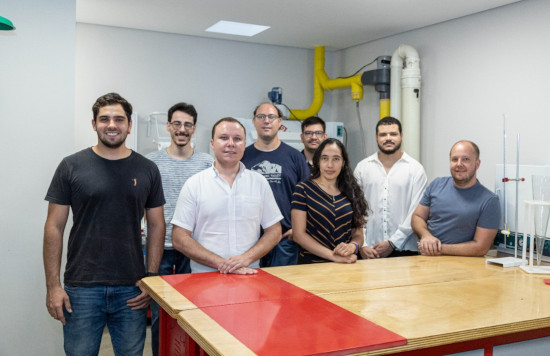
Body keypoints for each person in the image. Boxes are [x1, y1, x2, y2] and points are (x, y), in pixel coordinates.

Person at [43, 93, 165, 356]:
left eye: (119, 119)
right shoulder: (71, 166)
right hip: (81, 287)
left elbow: (157, 225)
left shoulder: (147, 169)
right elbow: (54, 227)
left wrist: (152, 278)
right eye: (104, 119)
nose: (112, 125)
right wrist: (53, 286)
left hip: (132, 288)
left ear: (129, 125)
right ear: (94, 124)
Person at [171, 117, 283, 274]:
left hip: (249, 274)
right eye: (223, 138)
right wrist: (221, 263)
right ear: (212, 143)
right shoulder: (194, 184)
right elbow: (179, 237)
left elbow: (275, 231)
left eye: (237, 139)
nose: (231, 143)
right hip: (204, 277)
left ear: (244, 145)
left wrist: (246, 259)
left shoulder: (259, 183)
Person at [146, 102, 213, 356]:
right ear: (168, 127)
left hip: (194, 250)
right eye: (177, 124)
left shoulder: (207, 163)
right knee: (159, 315)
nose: (182, 129)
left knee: (193, 312)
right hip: (159, 248)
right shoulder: (151, 162)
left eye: (187, 125)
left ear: (194, 129)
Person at [241, 102, 310, 267]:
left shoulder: (295, 157)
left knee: (282, 291)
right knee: (251, 289)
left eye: (271, 117)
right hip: (250, 240)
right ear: (254, 121)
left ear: (280, 122)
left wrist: (297, 230)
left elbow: (308, 197)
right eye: (261, 116)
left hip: (285, 240)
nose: (266, 121)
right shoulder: (242, 157)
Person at [354, 116, 427, 258]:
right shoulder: (362, 168)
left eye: (393, 134)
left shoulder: (416, 169)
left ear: (401, 136)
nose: (388, 138)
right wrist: (362, 244)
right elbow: (356, 210)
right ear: (376, 137)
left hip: (405, 250)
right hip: (369, 250)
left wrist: (393, 243)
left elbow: (416, 211)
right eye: (383, 134)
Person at [411, 140, 500, 256]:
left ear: (477, 164)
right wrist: (426, 236)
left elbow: (480, 248)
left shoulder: (489, 200)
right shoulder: (436, 185)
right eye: (454, 159)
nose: (459, 164)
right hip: (426, 261)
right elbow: (417, 216)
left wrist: (437, 248)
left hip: (463, 266)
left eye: (465, 159)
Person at [291, 138, 368, 263]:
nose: (330, 165)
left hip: (346, 264)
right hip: (311, 266)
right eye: (325, 158)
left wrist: (353, 246)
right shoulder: (303, 189)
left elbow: (358, 234)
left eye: (336, 159)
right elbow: (298, 235)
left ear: (343, 162)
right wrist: (333, 256)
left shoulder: (351, 190)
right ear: (318, 161)